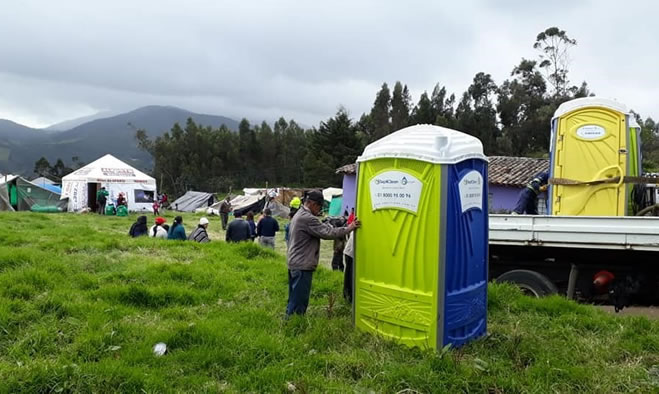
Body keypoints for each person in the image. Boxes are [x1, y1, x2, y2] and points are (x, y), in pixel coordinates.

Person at [286, 190, 360, 317]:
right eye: (319, 207)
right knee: (299, 302)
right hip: (302, 265)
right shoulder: (307, 218)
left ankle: (290, 322)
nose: (319, 210)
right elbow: (328, 233)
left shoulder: (299, 213)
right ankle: (294, 326)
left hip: (295, 262)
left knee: (294, 298)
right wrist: (349, 227)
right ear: (313, 204)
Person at [343, 231, 355, 302]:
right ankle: (349, 296)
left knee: (350, 275)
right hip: (351, 253)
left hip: (351, 252)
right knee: (350, 276)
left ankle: (349, 296)